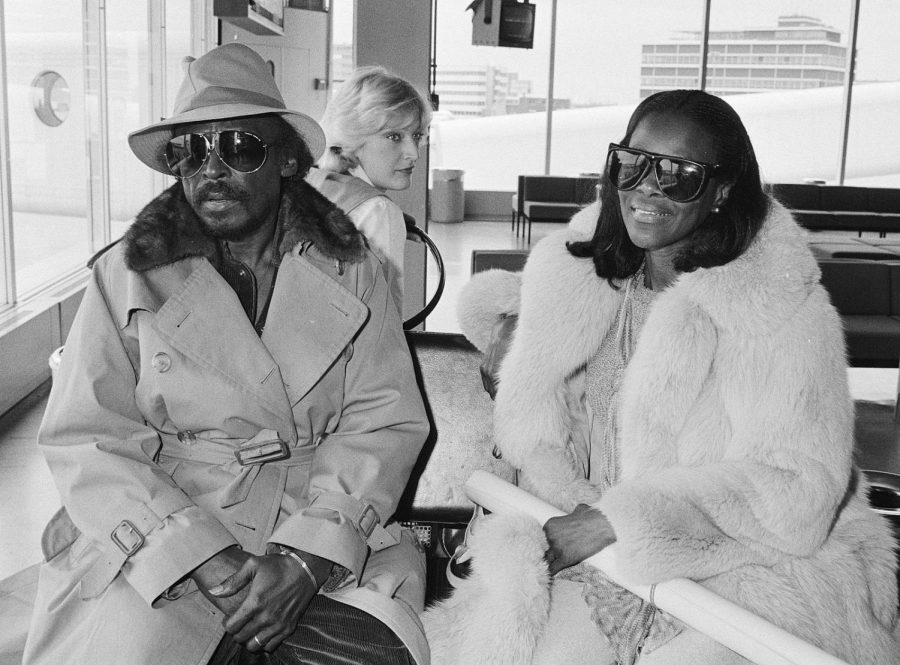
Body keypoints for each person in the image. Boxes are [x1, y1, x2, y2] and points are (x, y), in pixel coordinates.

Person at [426, 90, 899, 664]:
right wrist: (514, 334)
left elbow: (796, 490)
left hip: (751, 571)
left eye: (679, 174)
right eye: (634, 163)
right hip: (594, 560)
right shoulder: (580, 279)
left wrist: (617, 521)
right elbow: (543, 400)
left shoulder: (776, 308)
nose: (648, 187)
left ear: (723, 190)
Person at [21, 42, 430, 665]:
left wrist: (305, 556)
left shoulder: (353, 271)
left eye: (239, 147)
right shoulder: (124, 277)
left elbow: (384, 421)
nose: (211, 169)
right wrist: (200, 556)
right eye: (191, 151)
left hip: (315, 517)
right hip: (166, 523)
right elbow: (87, 436)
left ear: (288, 161)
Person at [305, 66, 432, 314]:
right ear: (354, 136)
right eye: (394, 137)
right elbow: (386, 321)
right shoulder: (379, 211)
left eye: (416, 135)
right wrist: (385, 218)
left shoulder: (312, 181)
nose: (414, 153)